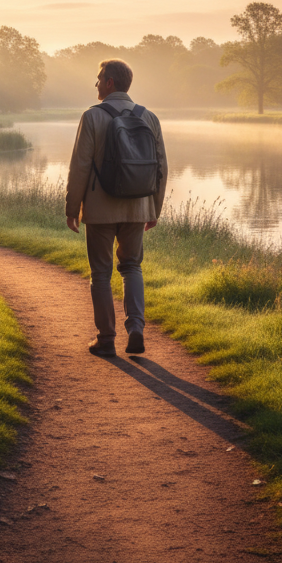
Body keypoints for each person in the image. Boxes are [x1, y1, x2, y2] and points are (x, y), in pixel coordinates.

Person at [65, 58, 167, 358]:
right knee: (132, 266)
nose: (96, 84)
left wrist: (73, 208)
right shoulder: (149, 117)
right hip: (138, 207)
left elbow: (80, 166)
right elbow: (161, 168)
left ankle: (106, 339)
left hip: (100, 209)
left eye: (99, 78)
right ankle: (135, 328)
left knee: (100, 273)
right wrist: (154, 210)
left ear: (110, 82)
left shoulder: (92, 116)